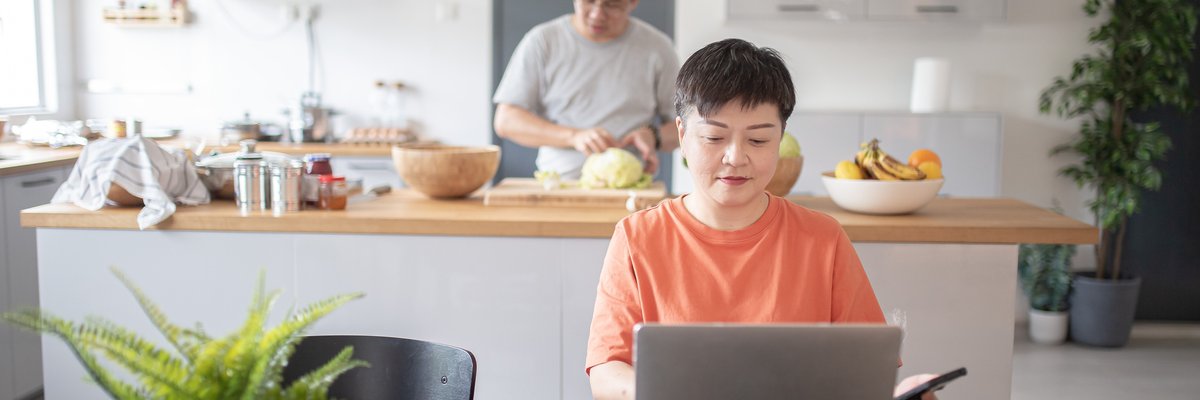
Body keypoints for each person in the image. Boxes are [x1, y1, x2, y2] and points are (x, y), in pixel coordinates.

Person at [584, 38, 941, 400]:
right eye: (714, 137)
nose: (735, 157)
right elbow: (606, 370)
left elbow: (868, 367)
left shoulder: (823, 238)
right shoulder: (637, 237)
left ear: (780, 138)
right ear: (682, 135)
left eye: (757, 140)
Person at [492, 0, 679, 179]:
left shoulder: (658, 48)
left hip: (630, 188)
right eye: (588, 1)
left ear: (633, 2)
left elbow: (687, 125)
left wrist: (653, 136)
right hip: (558, 183)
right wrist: (574, 137)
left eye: (612, 4)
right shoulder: (542, 40)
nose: (597, 15)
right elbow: (506, 120)